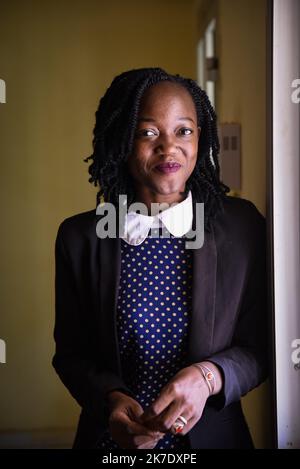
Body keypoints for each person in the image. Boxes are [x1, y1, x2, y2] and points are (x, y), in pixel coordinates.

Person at [52, 67, 268, 450]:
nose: (169, 148)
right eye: (148, 133)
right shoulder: (80, 237)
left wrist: (207, 377)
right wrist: (111, 401)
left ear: (201, 136)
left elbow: (262, 346)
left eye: (183, 130)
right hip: (113, 442)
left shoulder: (242, 227)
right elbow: (72, 354)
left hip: (215, 440)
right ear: (122, 141)